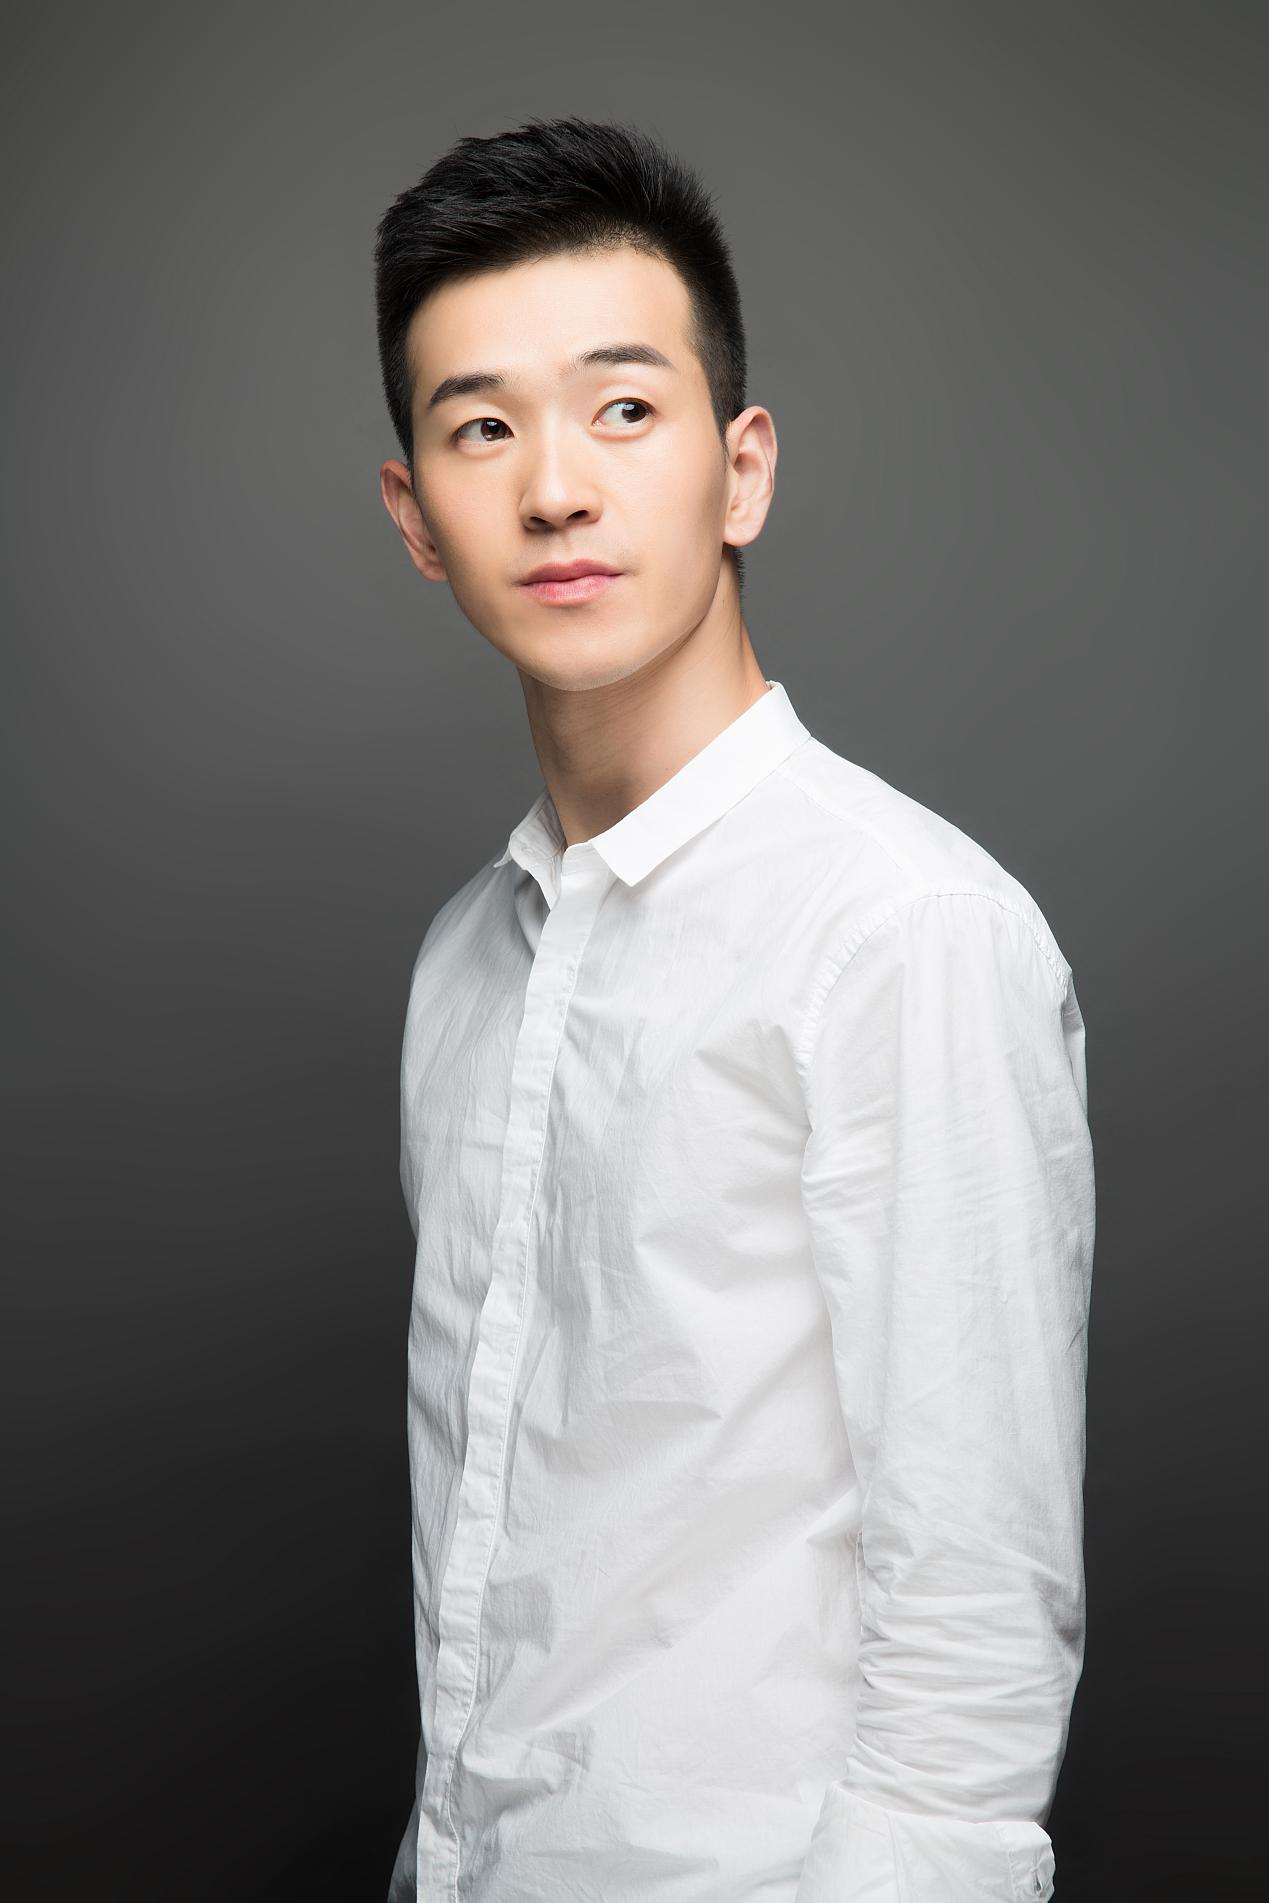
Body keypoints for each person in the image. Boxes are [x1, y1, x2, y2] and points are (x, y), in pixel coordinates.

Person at [374, 115, 1095, 1903]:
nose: (555, 488)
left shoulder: (905, 932)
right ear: (416, 518)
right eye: (483, 428)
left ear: (742, 469)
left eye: (624, 408)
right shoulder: (464, 963)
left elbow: (976, 1623)